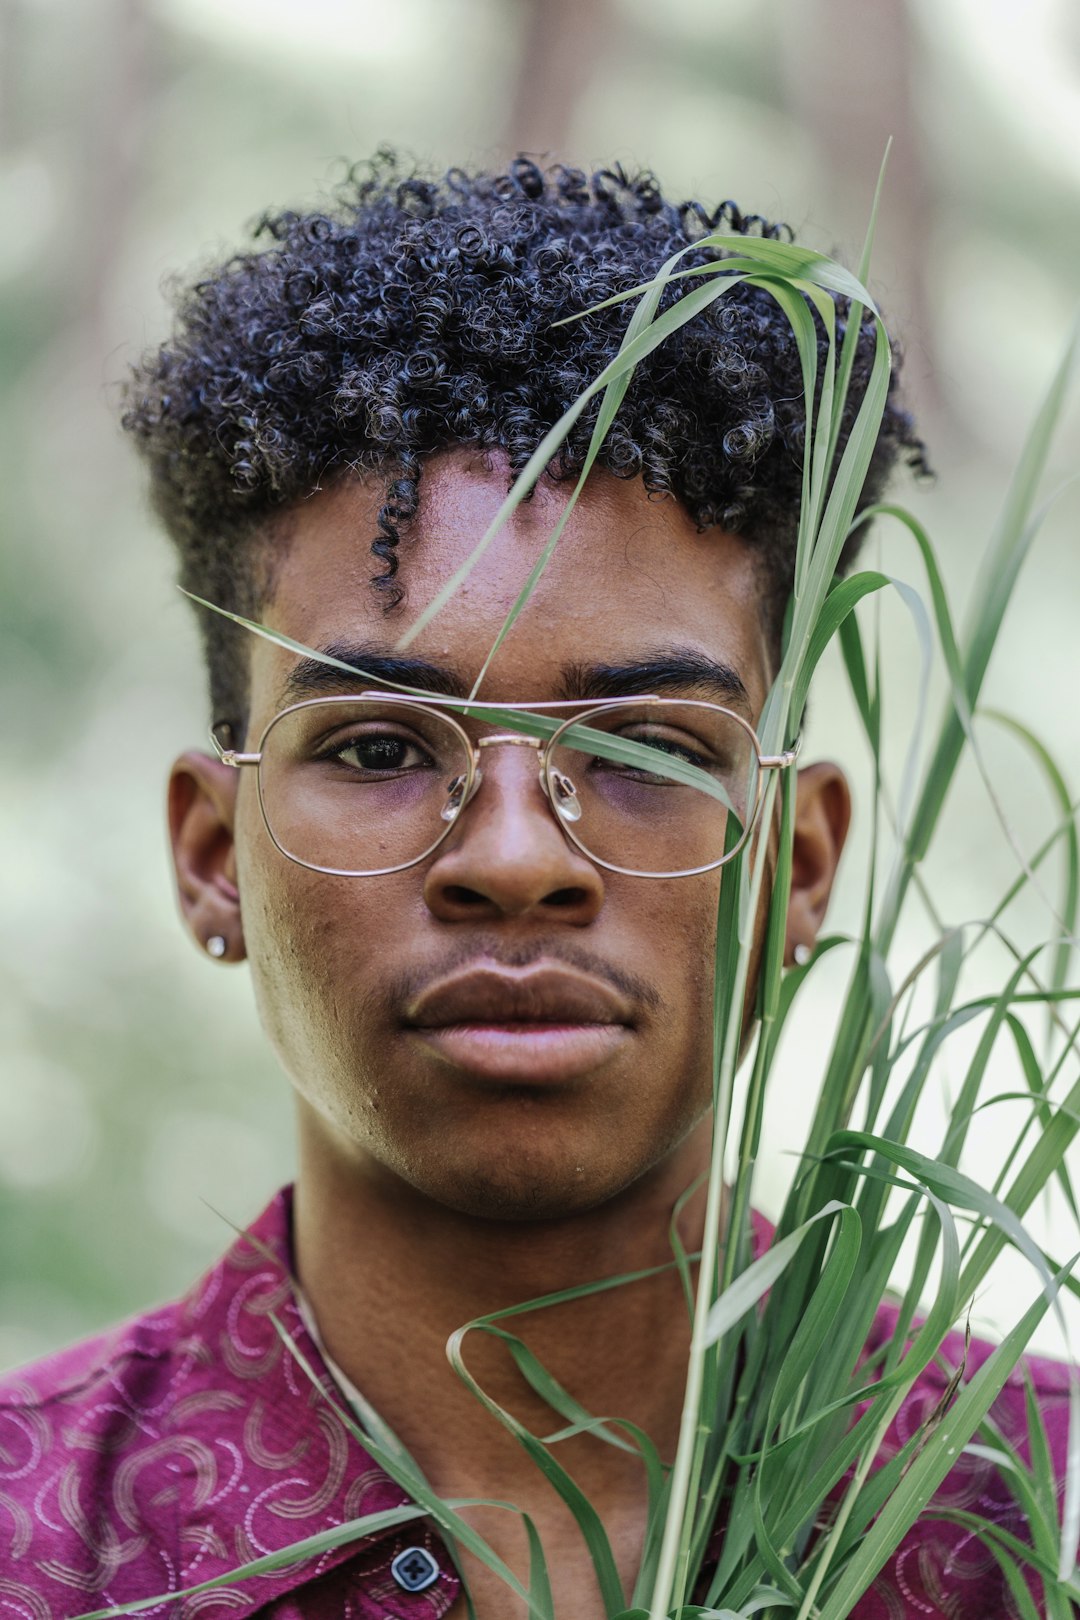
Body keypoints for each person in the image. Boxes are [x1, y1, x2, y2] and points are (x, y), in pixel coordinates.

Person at [0, 154, 1067, 1620]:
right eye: (378, 746)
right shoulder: (30, 1540)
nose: (515, 859)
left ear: (801, 861)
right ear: (210, 854)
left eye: (647, 750)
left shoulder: (1038, 1516)